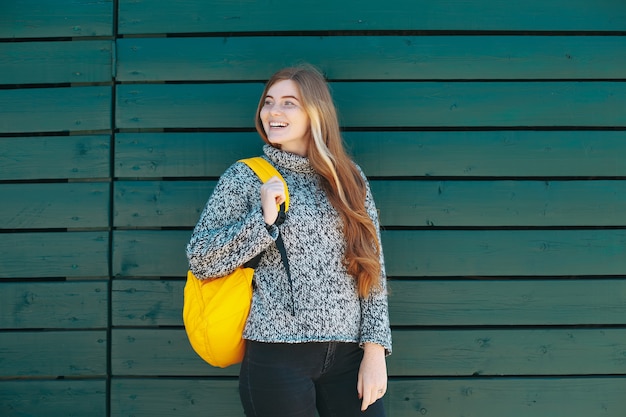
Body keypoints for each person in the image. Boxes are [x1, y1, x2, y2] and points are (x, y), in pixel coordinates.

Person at [186, 64, 392, 417]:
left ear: (316, 112)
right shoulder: (245, 177)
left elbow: (371, 268)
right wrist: (263, 221)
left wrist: (374, 351)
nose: (273, 112)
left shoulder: (350, 179)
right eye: (268, 102)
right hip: (276, 356)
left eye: (288, 103)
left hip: (349, 357)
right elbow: (201, 258)